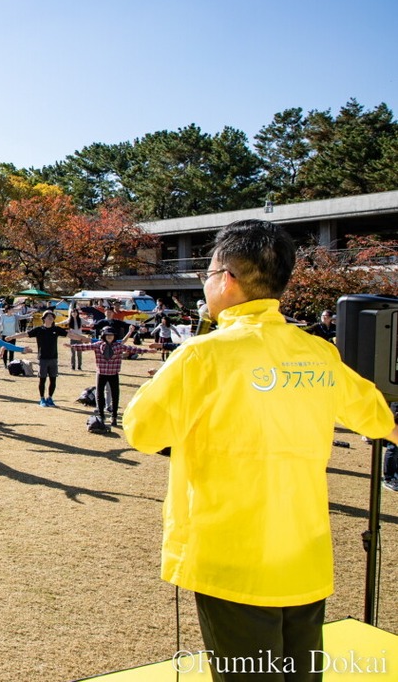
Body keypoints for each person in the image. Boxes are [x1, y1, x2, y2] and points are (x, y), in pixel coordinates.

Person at [123, 219, 398, 681]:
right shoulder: (317, 353)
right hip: (304, 556)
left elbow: (142, 431)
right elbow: (379, 417)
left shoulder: (201, 355)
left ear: (226, 280)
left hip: (231, 560)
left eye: (208, 275)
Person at [68, 326, 149, 427]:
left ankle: (114, 416)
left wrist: (148, 351)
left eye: (111, 335)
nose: (109, 336)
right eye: (107, 335)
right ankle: (101, 415)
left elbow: (132, 349)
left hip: (113, 374)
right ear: (104, 336)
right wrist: (71, 346)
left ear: (114, 336)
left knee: (115, 395)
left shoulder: (118, 346)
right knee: (99, 395)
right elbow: (86, 347)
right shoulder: (98, 345)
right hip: (101, 373)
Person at [23, 310, 67, 407]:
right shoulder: (39, 329)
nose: (50, 318)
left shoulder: (56, 329)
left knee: (53, 379)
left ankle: (50, 398)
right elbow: (26, 334)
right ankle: (42, 398)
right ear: (44, 319)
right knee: (42, 379)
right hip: (42, 358)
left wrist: (84, 339)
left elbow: (69, 334)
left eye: (52, 316)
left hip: (53, 358)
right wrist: (12, 337)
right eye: (48, 316)